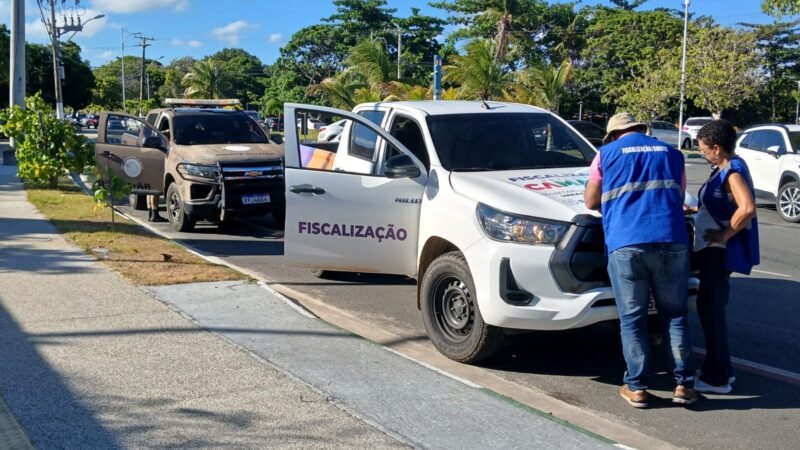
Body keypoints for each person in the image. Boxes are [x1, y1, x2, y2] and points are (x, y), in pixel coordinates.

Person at [584, 112, 697, 408]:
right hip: (672, 240)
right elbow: (680, 196)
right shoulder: (673, 153)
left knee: (632, 319)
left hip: (627, 243)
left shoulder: (605, 154)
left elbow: (591, 201)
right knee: (674, 315)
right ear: (642, 130)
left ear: (612, 134)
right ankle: (683, 385)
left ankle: (637, 387)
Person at [692, 120, 759, 394]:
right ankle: (719, 370)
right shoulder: (725, 166)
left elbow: (747, 208)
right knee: (711, 311)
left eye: (704, 149)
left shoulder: (732, 170)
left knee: (711, 313)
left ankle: (717, 378)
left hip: (717, 254)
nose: (702, 154)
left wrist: (723, 235)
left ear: (717, 148)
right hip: (714, 251)